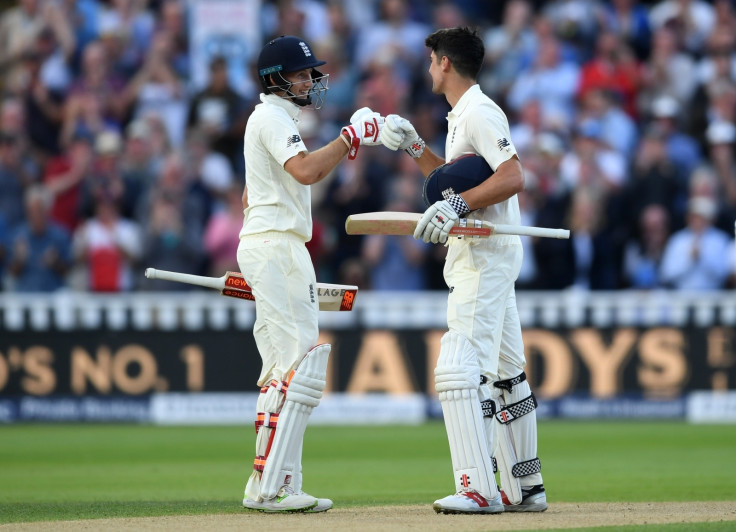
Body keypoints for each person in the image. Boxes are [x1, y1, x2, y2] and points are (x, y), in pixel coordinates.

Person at [379, 27, 547, 514]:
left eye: (432, 61)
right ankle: (525, 486)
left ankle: (477, 487)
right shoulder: (462, 117)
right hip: (486, 258)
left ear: (446, 62)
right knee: (507, 375)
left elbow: (513, 176)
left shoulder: (480, 110)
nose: (429, 68)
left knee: (459, 368)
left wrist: (457, 205)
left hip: (482, 259)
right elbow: (447, 182)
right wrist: (414, 147)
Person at [238, 35, 383, 513]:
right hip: (277, 246)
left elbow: (250, 198)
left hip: (276, 245)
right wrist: (348, 138)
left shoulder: (273, 119)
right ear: (275, 78)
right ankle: (273, 488)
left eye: (308, 73)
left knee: (282, 371)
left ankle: (269, 482)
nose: (309, 80)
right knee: (296, 370)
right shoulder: (272, 117)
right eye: (300, 74)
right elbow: (304, 172)